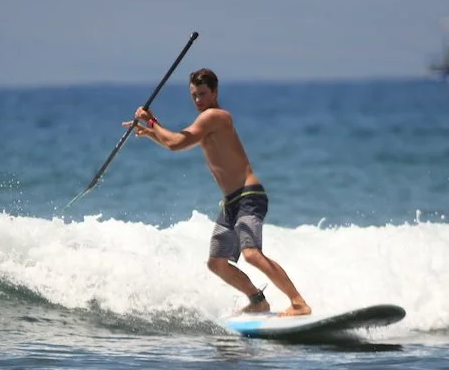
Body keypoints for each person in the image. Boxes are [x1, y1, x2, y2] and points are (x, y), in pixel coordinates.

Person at [124, 68, 311, 316]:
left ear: (215, 92)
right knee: (217, 263)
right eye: (194, 95)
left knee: (251, 254)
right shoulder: (207, 124)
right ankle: (257, 300)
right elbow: (175, 144)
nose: (198, 100)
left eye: (202, 94)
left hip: (248, 196)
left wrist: (151, 121)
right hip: (231, 202)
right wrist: (151, 132)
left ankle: (298, 302)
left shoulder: (215, 116)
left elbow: (176, 143)